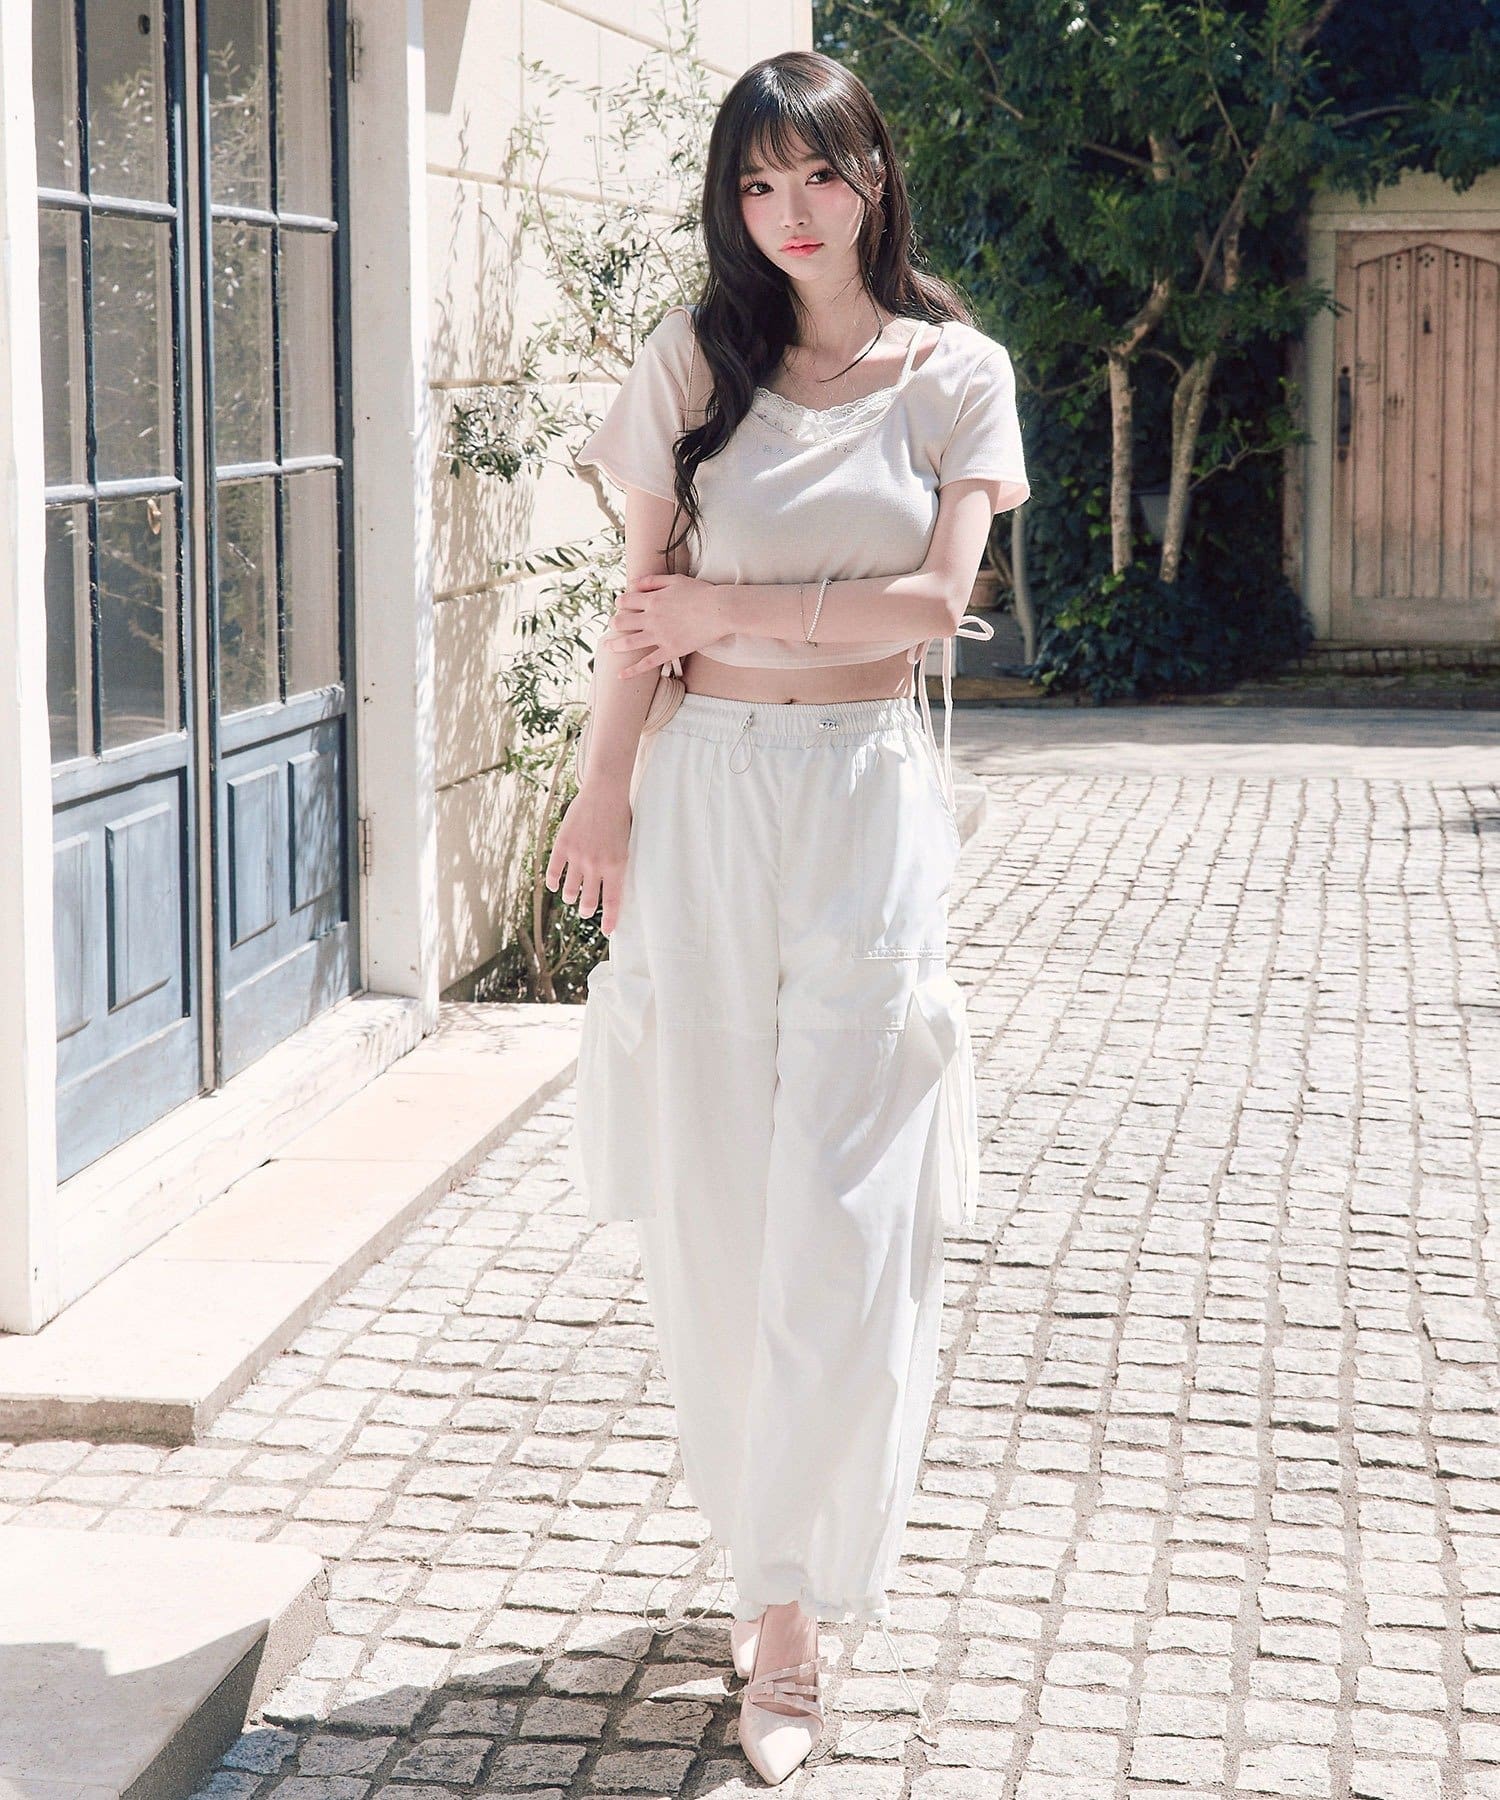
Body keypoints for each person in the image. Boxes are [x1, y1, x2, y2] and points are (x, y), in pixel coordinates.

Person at [550, 48, 1029, 1786]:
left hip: (861, 798)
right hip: (704, 798)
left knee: (844, 1203)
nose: (790, 213)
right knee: (714, 1197)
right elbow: (643, 604)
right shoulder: (697, 360)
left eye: (816, 174)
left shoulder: (955, 375)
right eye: (756, 185)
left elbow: (935, 604)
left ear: (872, 174)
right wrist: (603, 786)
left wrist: (733, 612)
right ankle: (763, 1584)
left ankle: (808, 1616)